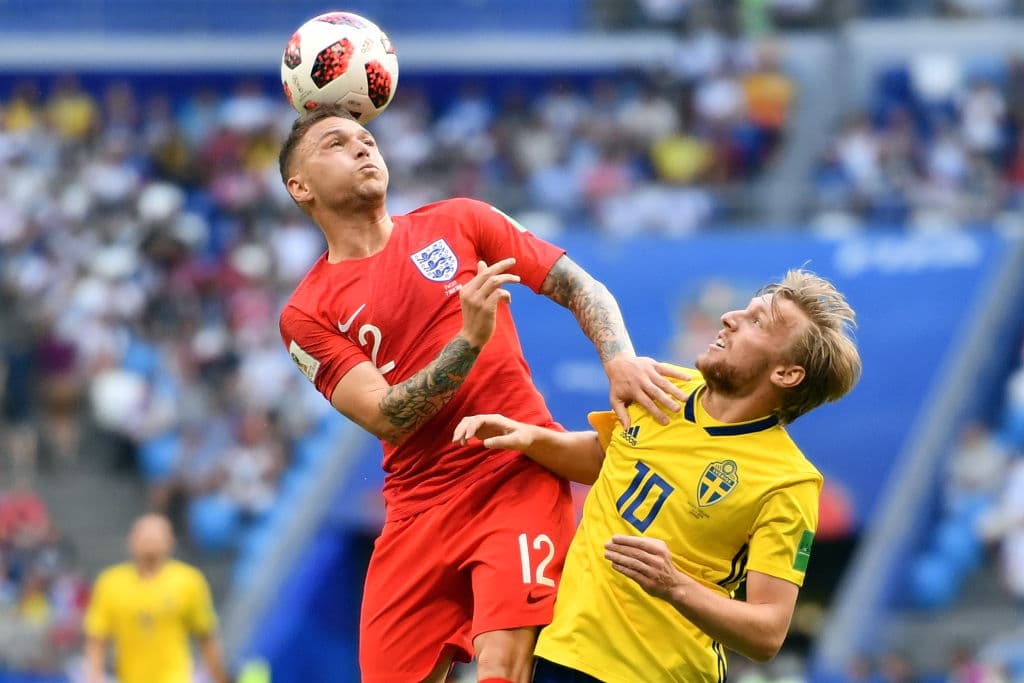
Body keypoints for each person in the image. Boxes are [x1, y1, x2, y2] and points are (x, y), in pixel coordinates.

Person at [276, 102, 687, 683]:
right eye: (336, 144)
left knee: (502, 666)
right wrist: (468, 340)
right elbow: (388, 416)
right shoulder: (306, 313)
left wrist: (618, 358)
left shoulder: (460, 220)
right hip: (416, 506)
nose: (363, 147)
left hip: (513, 474)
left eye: (365, 137)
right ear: (301, 188)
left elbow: (577, 285)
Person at [454, 269, 863, 682]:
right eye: (746, 309)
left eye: (758, 322)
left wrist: (674, 585)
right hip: (563, 654)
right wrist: (530, 439)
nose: (729, 317)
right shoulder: (663, 386)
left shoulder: (789, 482)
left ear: (787, 374)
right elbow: (607, 459)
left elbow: (768, 633)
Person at [83, 513, 229, 683]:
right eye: (144, 536)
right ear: (131, 541)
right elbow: (97, 639)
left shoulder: (189, 581)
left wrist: (220, 678)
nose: (150, 540)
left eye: (156, 535)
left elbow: (206, 637)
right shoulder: (110, 583)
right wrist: (94, 677)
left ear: (171, 540)